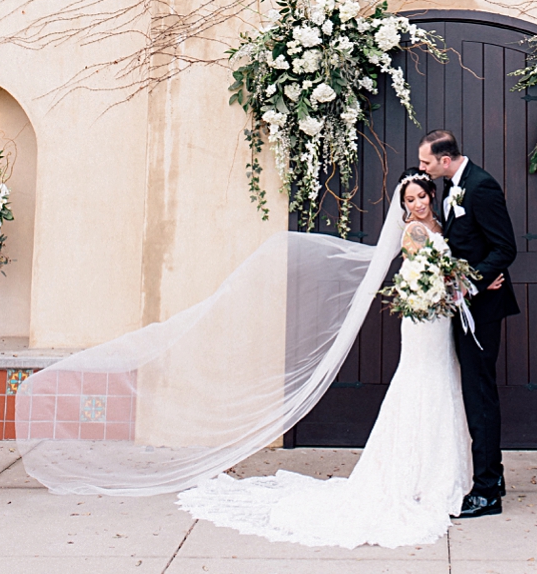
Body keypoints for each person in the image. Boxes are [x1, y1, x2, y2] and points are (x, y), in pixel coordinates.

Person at [175, 173, 473, 547]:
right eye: (409, 200)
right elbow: (419, 275)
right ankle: (414, 475)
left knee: (444, 379)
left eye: (421, 197)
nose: (417, 205)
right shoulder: (413, 233)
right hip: (423, 319)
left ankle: (438, 472)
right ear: (404, 206)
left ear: (431, 194)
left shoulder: (440, 225)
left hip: (440, 319)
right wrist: (439, 288)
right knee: (420, 381)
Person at [417, 128, 519, 518]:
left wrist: (471, 279)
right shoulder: (451, 187)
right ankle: (494, 476)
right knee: (475, 393)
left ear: (445, 160)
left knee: (479, 395)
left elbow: (505, 247)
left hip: (481, 308)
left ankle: (487, 492)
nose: (423, 168)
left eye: (427, 161)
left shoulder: (481, 187)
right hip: (462, 305)